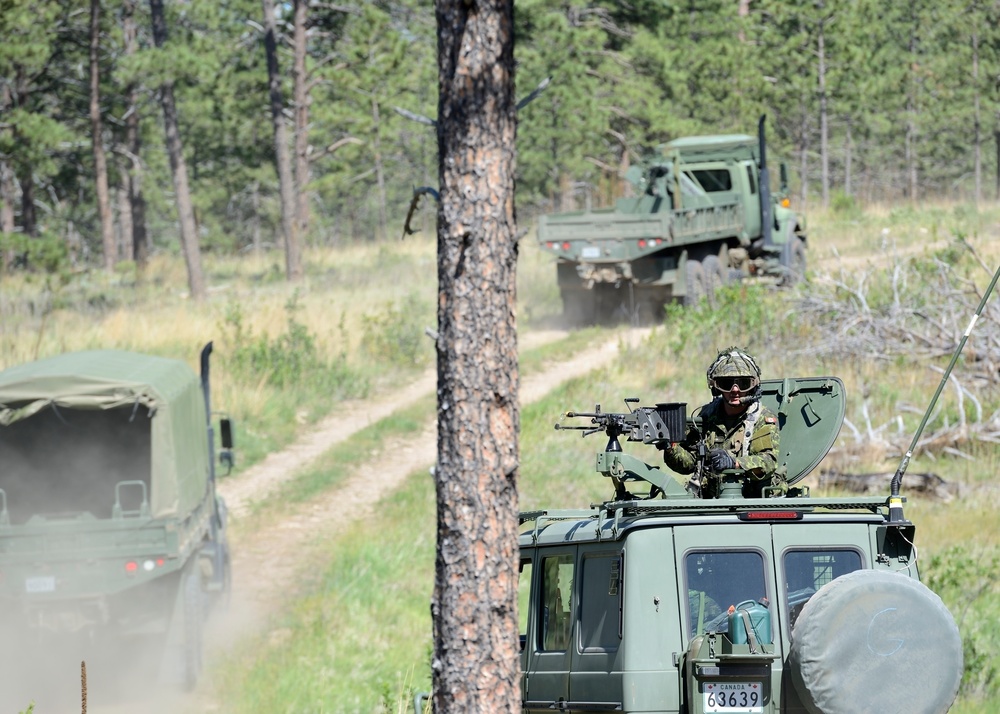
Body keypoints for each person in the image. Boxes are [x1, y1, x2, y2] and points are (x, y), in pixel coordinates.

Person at [662, 346, 782, 497]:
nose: (735, 390)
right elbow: (690, 463)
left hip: (751, 501)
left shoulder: (762, 418)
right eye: (727, 384)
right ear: (716, 388)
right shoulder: (707, 415)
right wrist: (670, 446)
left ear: (753, 386)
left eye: (743, 384)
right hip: (713, 500)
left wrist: (734, 463)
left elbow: (768, 462)